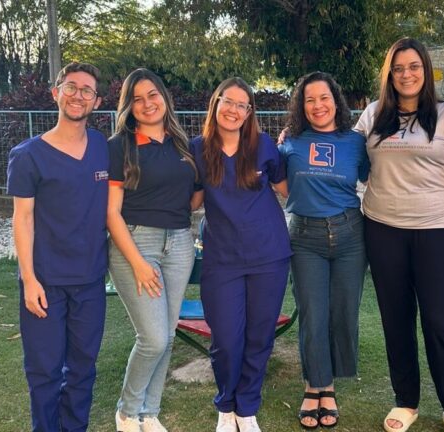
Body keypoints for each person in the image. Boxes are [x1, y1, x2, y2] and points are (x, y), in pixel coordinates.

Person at [354, 38, 444, 432]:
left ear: (426, 70)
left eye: (414, 66)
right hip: (382, 229)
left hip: (438, 231)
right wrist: (295, 138)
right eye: (398, 68)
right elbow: (342, 150)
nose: (406, 74)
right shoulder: (373, 115)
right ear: (389, 74)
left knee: (439, 321)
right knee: (396, 319)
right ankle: (406, 402)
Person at [7, 62, 108, 432]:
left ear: (96, 101)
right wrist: (29, 279)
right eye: (71, 87)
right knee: (45, 371)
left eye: (87, 90)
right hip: (45, 282)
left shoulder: (102, 147)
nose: (78, 95)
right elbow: (22, 219)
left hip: (90, 280)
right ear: (56, 93)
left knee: (83, 369)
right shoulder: (28, 155)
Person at [189, 77, 292, 432]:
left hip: (269, 256)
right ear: (215, 103)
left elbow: (286, 188)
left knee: (259, 336)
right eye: (228, 101)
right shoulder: (198, 149)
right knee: (226, 340)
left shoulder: (264, 146)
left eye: (241, 105)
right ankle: (226, 405)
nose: (234, 110)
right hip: (222, 260)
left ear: (250, 112)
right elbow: (192, 201)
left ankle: (247, 408)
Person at [106, 68, 202, 432]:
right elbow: (111, 213)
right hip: (136, 243)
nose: (147, 104)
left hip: (179, 243)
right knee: (153, 338)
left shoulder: (182, 144)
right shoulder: (120, 145)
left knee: (169, 332)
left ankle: (149, 413)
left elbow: (192, 198)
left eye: (153, 95)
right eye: (137, 99)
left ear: (165, 97)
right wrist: (137, 262)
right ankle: (127, 412)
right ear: (129, 106)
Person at [278, 71, 369, 429]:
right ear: (301, 106)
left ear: (336, 101)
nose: (318, 105)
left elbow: (372, 177)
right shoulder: (290, 141)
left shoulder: (356, 142)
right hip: (305, 237)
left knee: (343, 312)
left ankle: (331, 382)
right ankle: (315, 387)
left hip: (350, 235)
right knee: (313, 314)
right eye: (310, 99)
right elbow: (279, 181)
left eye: (324, 98)